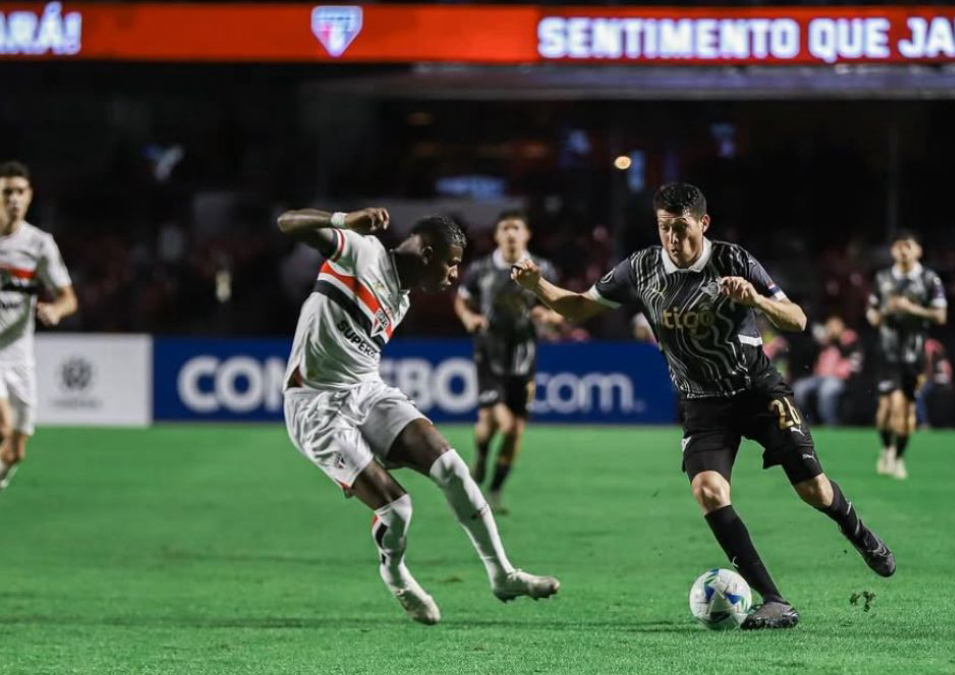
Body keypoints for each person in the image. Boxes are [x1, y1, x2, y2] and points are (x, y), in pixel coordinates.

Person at [512, 182, 894, 631]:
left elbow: (797, 318)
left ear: (702, 223)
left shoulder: (732, 259)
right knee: (708, 492)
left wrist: (754, 299)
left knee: (814, 491)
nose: (672, 238)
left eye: (681, 227)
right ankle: (774, 600)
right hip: (702, 404)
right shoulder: (641, 267)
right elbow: (577, 308)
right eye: (664, 228)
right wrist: (538, 285)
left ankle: (861, 536)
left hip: (758, 391)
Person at [277, 207, 558, 626]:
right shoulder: (362, 252)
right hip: (316, 406)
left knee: (452, 467)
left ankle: (503, 574)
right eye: (450, 263)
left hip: (367, 391)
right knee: (398, 511)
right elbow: (287, 223)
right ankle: (395, 573)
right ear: (426, 252)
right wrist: (342, 221)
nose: (453, 275)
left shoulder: (401, 299)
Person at [454, 210, 561, 514]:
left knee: (513, 431)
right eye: (505, 228)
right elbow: (462, 298)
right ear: (497, 235)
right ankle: (481, 458)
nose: (511, 233)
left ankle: (495, 490)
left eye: (517, 227)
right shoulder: (481, 269)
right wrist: (469, 317)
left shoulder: (544, 270)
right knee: (500, 422)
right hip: (489, 355)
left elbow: (561, 308)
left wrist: (549, 316)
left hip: (524, 359)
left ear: (526, 234)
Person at [0, 161, 78, 493]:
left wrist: (57, 311)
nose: (14, 199)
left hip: (20, 356)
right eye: (6, 192)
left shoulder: (39, 244)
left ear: (30, 196)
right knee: (2, 427)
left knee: (15, 451)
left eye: (20, 192)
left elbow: (68, 297)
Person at [866, 231, 947, 480]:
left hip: (914, 355)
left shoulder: (929, 279)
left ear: (918, 251)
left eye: (908, 246)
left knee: (904, 409)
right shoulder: (882, 279)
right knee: (884, 412)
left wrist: (912, 309)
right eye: (899, 246)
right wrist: (886, 310)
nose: (903, 251)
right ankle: (887, 448)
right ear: (892, 251)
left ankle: (898, 458)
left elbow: (941, 316)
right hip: (887, 352)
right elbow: (872, 316)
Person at [792, 316, 861, 426]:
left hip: (839, 378)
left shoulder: (848, 338)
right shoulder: (825, 341)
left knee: (827, 391)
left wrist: (837, 338)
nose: (832, 329)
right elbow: (810, 351)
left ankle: (830, 424)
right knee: (799, 388)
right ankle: (807, 423)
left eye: (835, 325)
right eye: (830, 325)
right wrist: (825, 339)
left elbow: (851, 355)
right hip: (819, 377)